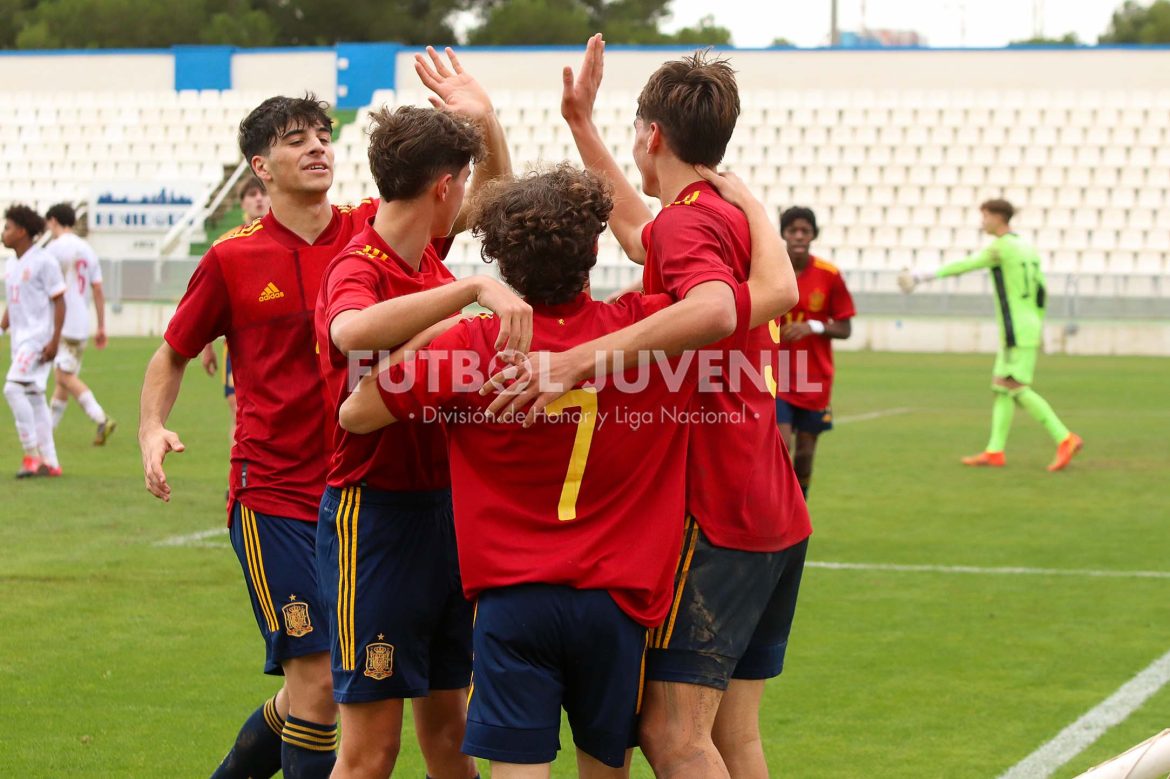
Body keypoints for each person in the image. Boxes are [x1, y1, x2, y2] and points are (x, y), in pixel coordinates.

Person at [336, 162, 796, 779]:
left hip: (511, 601)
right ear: (595, 247)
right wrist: (752, 205)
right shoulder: (648, 330)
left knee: (516, 769)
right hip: (617, 603)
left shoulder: (474, 346)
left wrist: (446, 323)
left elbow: (356, 414)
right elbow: (769, 294)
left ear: (499, 255)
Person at [486, 36, 809, 777]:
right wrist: (583, 125)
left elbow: (711, 307)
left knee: (672, 734)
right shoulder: (710, 213)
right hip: (772, 505)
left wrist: (580, 358)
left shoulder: (692, 222)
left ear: (653, 134)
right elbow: (641, 234)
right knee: (734, 736)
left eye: (634, 128)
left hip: (717, 509)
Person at [139, 94, 377, 779]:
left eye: (324, 136)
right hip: (271, 495)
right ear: (260, 167)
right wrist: (152, 426)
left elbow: (463, 208)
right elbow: (173, 351)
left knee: (320, 683)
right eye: (296, 139)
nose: (317, 147)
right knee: (322, 684)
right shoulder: (230, 260)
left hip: (361, 497)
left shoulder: (368, 234)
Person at [313, 47, 519, 779]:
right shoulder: (357, 264)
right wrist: (467, 295)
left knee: (450, 730)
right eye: (459, 180)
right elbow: (349, 332)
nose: (469, 192)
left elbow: (496, 191)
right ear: (441, 186)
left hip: (444, 513)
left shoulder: (427, 249)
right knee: (370, 751)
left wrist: (484, 118)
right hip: (374, 520)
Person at [899, 198, 1083, 471]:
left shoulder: (1001, 248)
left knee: (1015, 387)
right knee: (1001, 389)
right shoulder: (1026, 247)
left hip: (1015, 328)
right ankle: (995, 451)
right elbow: (1043, 290)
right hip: (1027, 323)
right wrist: (1034, 321)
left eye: (985, 216)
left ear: (999, 217)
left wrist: (921, 276)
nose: (982, 221)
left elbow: (966, 265)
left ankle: (1064, 437)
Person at [775, 206, 855, 497]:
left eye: (804, 231)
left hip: (815, 378)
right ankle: (779, 511)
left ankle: (798, 510)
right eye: (792, 230)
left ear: (813, 235)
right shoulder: (768, 269)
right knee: (781, 446)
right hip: (776, 375)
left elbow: (845, 328)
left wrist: (815, 327)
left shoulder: (829, 275)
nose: (798, 236)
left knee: (805, 455)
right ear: (783, 234)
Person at [200, 177, 271, 446]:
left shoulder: (286, 239)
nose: (258, 199)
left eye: (263, 193)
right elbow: (211, 300)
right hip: (239, 344)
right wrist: (207, 344)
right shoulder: (227, 243)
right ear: (242, 203)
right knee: (238, 409)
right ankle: (237, 483)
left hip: (278, 340)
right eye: (251, 194)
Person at [43, 203, 116, 445]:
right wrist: (102, 325)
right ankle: (47, 435)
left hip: (62, 323)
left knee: (64, 376)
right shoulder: (87, 249)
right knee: (62, 379)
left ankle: (101, 418)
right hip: (81, 323)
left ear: (53, 221)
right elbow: (97, 289)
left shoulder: (53, 249)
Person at [3, 205, 66, 478]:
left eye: (7, 228)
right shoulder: (10, 263)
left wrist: (54, 340)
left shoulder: (44, 261)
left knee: (12, 388)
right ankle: (50, 461)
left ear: (22, 231)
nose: (3, 233)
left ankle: (32, 455)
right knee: (34, 396)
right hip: (20, 340)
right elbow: (13, 304)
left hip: (38, 339)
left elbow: (59, 301)